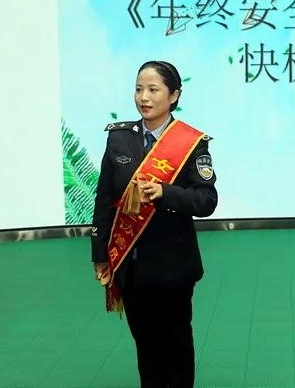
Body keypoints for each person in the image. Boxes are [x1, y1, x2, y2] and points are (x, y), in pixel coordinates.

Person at [90, 60, 217, 388]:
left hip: (174, 267)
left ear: (173, 96)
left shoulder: (191, 143)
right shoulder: (119, 139)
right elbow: (104, 200)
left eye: (153, 89)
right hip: (131, 265)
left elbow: (206, 201)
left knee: (176, 345)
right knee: (145, 346)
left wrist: (164, 192)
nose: (143, 97)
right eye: (138, 89)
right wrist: (100, 254)